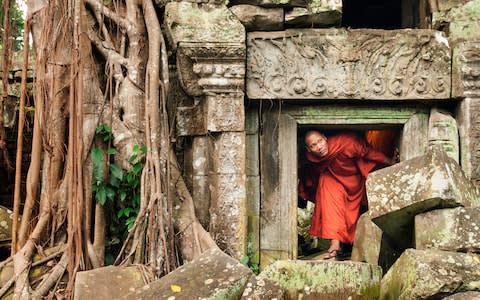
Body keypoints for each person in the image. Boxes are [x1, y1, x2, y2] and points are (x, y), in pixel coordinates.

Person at [298, 130, 397, 260]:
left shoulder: (346, 142)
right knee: (330, 203)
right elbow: (305, 168)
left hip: (353, 178)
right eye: (313, 145)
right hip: (333, 179)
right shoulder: (310, 157)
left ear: (325, 137)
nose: (319, 147)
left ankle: (350, 244)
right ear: (308, 149)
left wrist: (390, 161)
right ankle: (335, 244)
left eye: (320, 141)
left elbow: (368, 152)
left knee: (352, 214)